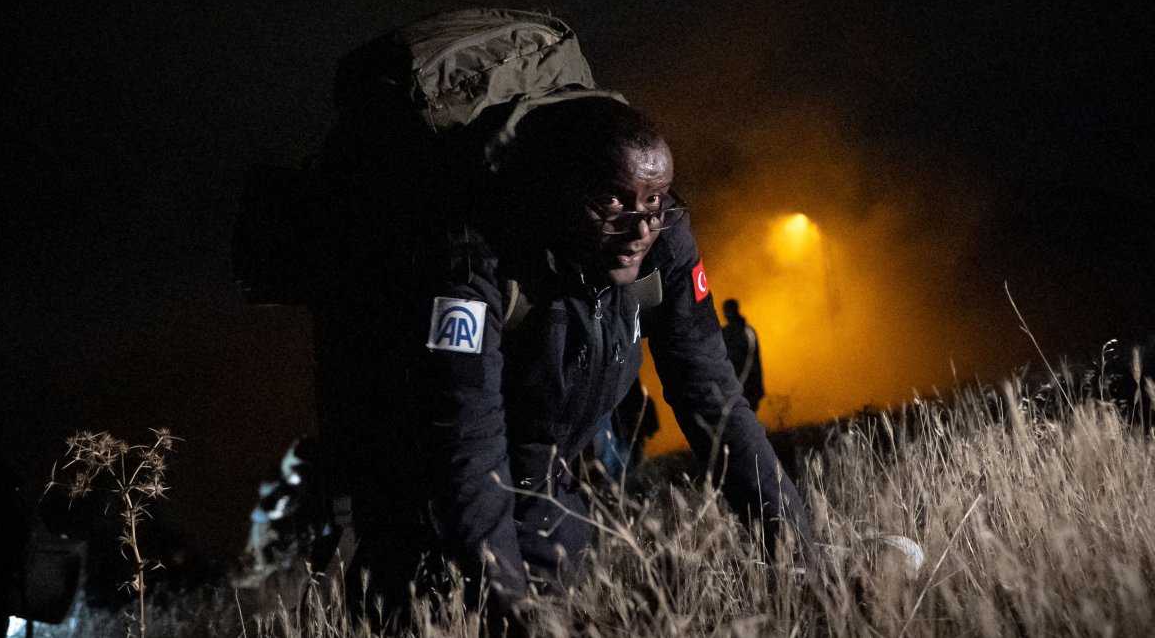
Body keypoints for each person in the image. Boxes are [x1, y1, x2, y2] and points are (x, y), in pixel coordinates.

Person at [308, 95, 808, 631]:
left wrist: (797, 550)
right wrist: (512, 611)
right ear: (562, 189)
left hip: (548, 493)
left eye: (657, 200)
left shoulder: (659, 238)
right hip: (428, 506)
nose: (640, 227)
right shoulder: (475, 258)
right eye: (614, 201)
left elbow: (712, 392)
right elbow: (467, 450)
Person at [722, 298, 765, 413]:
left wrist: (759, 385)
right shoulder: (724, 333)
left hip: (747, 382)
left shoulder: (746, 332)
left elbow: (756, 360)